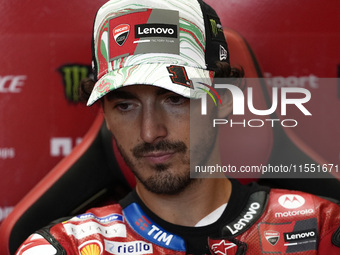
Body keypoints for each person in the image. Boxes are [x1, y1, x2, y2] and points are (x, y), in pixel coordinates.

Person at [16, 0, 340, 254]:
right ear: (106, 115)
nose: (149, 132)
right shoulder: (65, 248)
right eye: (125, 105)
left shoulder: (322, 230)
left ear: (225, 98)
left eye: (175, 99)